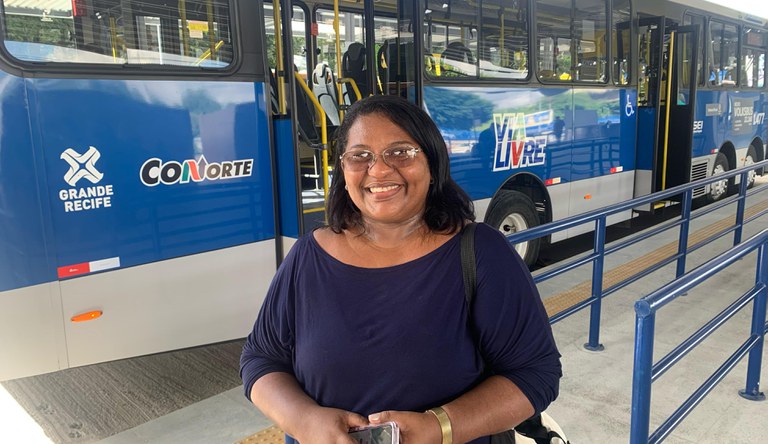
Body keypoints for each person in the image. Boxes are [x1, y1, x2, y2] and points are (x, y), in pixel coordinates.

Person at [240, 95, 561, 444]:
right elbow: (261, 358)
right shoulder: (306, 257)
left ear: (432, 164)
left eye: (400, 152)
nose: (378, 170)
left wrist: (439, 426)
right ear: (343, 170)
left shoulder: (481, 253)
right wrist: (304, 421)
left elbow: (536, 373)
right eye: (360, 156)